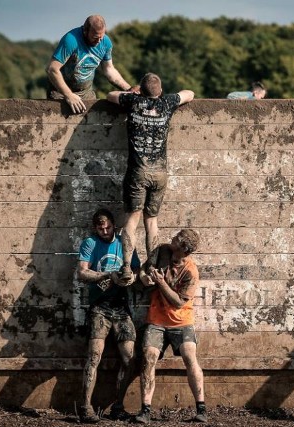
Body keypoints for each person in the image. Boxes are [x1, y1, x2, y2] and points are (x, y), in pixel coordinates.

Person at [106, 73, 194, 281]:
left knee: (132, 218)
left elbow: (110, 95)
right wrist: (169, 96)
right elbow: (189, 93)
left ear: (141, 91)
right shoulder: (167, 103)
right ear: (160, 91)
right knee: (151, 220)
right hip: (159, 172)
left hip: (138, 172)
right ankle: (152, 265)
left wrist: (132, 92)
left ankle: (126, 266)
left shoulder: (132, 101)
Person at [133, 229, 207, 424]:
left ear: (184, 248)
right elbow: (143, 269)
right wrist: (144, 277)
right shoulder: (162, 251)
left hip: (181, 321)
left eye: (176, 239)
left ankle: (201, 408)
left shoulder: (190, 271)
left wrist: (160, 282)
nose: (172, 239)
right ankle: (145, 410)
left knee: (190, 356)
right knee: (149, 357)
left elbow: (178, 303)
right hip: (156, 320)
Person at [76, 208, 141, 422]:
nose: (105, 231)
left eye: (108, 227)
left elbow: (137, 271)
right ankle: (86, 408)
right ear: (96, 228)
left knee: (129, 358)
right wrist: (107, 275)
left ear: (114, 225)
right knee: (94, 357)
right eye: (101, 228)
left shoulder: (124, 242)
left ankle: (118, 407)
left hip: (122, 308)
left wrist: (129, 278)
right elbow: (82, 272)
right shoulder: (90, 243)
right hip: (99, 308)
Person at [46, 15, 134, 114]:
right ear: (85, 31)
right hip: (61, 93)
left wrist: (129, 89)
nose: (98, 41)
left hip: (86, 93)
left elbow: (109, 70)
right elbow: (52, 69)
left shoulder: (106, 43)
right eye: (95, 37)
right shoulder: (70, 40)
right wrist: (69, 95)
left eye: (101, 37)